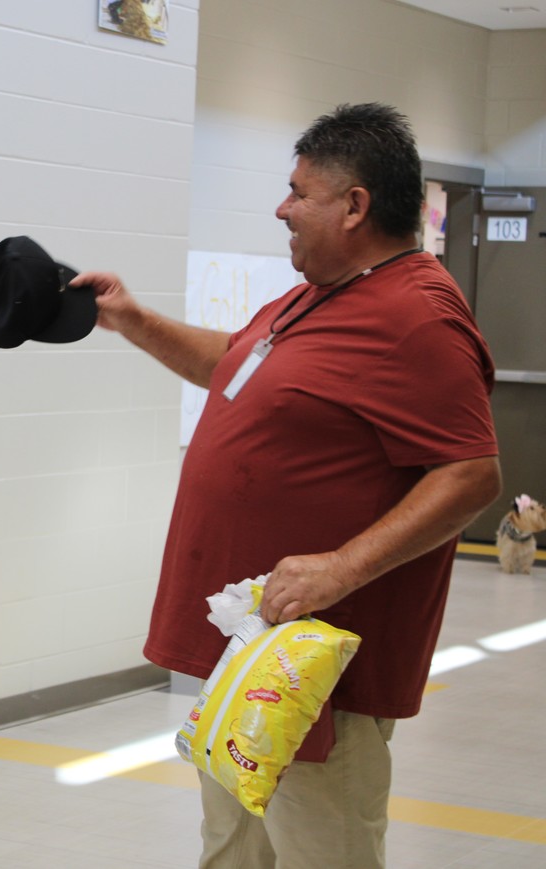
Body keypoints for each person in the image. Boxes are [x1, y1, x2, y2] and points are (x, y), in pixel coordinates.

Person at [71, 103, 502, 869]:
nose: (282, 207)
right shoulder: (316, 292)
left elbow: (470, 473)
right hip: (247, 653)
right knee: (233, 848)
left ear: (355, 205)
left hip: (318, 674)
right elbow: (236, 366)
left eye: (299, 192)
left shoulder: (417, 318)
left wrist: (343, 566)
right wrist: (133, 320)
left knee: (321, 851)